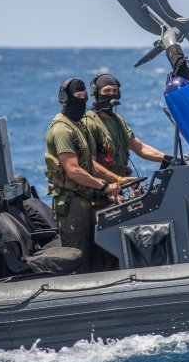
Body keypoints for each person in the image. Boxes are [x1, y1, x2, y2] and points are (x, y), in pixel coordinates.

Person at [44, 77, 126, 274]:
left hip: (88, 199)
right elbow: (74, 171)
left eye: (83, 96)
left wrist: (116, 181)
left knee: (101, 253)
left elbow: (90, 165)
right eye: (77, 97)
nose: (82, 101)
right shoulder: (62, 129)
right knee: (78, 259)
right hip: (72, 205)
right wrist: (105, 187)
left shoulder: (79, 126)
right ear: (64, 99)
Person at [82, 73, 169, 182]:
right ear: (96, 93)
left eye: (115, 91)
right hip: (101, 187)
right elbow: (90, 163)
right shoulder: (89, 122)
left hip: (119, 185)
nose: (111, 94)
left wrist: (168, 158)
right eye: (107, 91)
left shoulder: (117, 120)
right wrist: (117, 180)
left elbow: (140, 148)